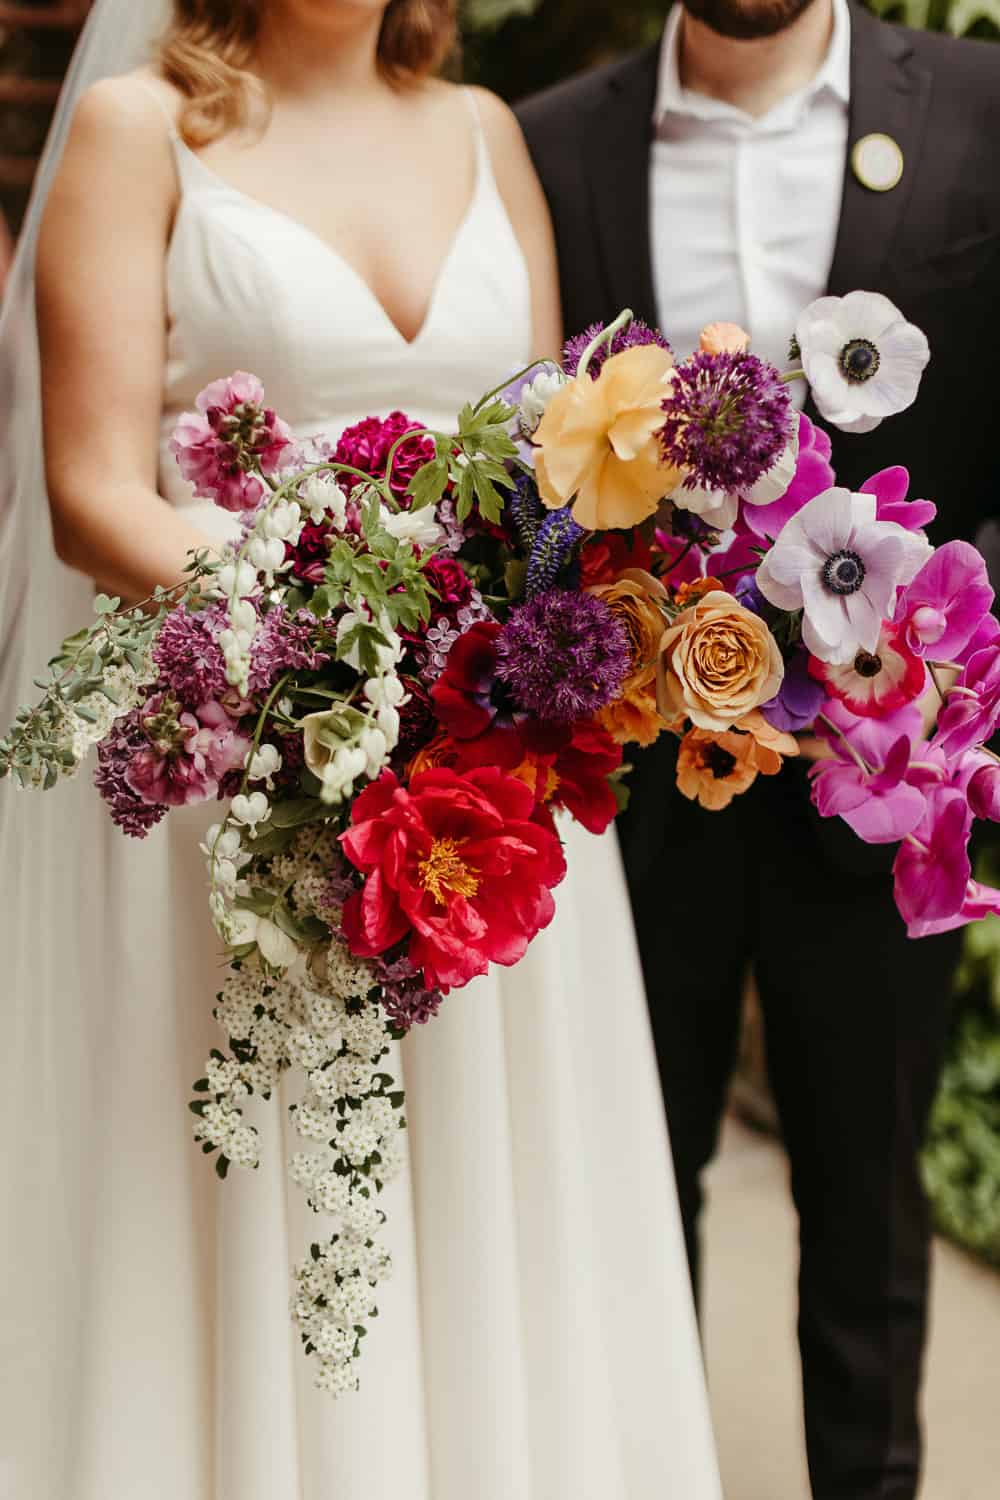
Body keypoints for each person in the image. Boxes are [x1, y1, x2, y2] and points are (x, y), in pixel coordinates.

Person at [0, 2, 723, 1497]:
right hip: (249, 773)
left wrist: (528, 649)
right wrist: (329, 645)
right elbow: (89, 490)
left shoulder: (485, 132)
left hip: (484, 781)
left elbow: (541, 468)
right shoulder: (147, 133)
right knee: (252, 1191)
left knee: (482, 1189)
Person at [517, 2, 1000, 1497]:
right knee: (627, 1211)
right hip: (634, 790)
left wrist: (947, 653)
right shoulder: (550, 144)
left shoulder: (984, 108)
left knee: (867, 1227)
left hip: (879, 783)